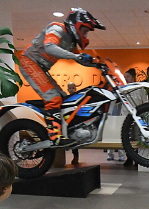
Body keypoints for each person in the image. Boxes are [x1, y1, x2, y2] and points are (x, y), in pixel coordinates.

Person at [19, 8, 105, 147]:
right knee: (53, 98)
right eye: (85, 30)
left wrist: (97, 64)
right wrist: (76, 56)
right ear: (76, 25)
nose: (85, 34)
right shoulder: (57, 29)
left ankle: (66, 132)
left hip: (41, 67)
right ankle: (54, 136)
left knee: (64, 98)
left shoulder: (70, 40)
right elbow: (50, 47)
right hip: (29, 62)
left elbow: (80, 59)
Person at [66, 82, 80, 164]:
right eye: (70, 88)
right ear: (67, 89)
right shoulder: (67, 98)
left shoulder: (78, 98)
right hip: (68, 121)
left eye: (73, 88)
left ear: (75, 89)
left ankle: (76, 156)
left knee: (75, 139)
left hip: (75, 120)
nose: (71, 90)